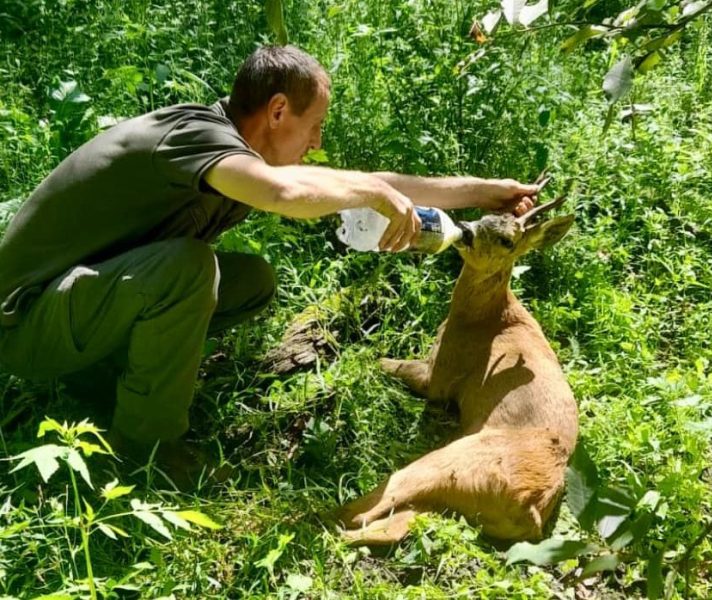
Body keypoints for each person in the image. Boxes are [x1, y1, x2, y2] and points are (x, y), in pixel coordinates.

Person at [0, 45, 543, 484]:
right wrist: (371, 191)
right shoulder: (194, 136)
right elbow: (285, 193)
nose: (318, 142)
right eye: (315, 125)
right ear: (278, 110)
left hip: (75, 307)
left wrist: (484, 193)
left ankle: (109, 377)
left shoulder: (236, 148)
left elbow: (374, 183)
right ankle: (144, 448)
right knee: (187, 268)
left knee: (249, 282)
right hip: (23, 325)